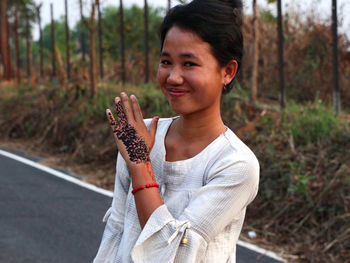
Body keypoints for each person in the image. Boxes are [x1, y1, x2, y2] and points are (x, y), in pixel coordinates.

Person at [93, 0, 259, 262]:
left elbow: (176, 254)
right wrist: (139, 157)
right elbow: (116, 231)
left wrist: (140, 164)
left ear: (227, 71)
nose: (173, 77)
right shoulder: (141, 134)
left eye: (189, 64)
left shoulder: (235, 164)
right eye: (166, 61)